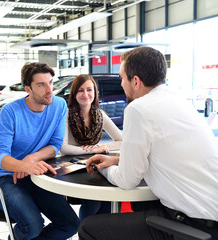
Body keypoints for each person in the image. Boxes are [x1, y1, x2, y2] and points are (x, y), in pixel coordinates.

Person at [79, 46, 218, 240]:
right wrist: (117, 159)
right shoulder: (178, 100)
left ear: (135, 81)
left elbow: (127, 181)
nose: (121, 84)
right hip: (210, 215)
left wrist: (101, 167)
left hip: (194, 224)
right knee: (140, 205)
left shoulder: (138, 109)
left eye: (121, 78)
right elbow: (163, 149)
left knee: (88, 228)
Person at [0, 62, 79, 240]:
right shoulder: (10, 112)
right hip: (6, 179)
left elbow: (54, 145)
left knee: (70, 224)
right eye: (41, 84)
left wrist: (31, 159)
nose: (49, 90)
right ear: (28, 89)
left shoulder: (59, 105)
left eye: (51, 82)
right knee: (33, 225)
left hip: (36, 176)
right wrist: (22, 166)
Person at [60, 74, 123, 222]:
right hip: (72, 165)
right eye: (80, 90)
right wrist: (93, 150)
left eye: (89, 89)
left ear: (95, 92)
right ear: (74, 93)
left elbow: (121, 140)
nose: (85, 94)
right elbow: (64, 148)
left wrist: (103, 147)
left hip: (94, 163)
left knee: (108, 202)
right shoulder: (67, 114)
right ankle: (85, 233)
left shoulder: (100, 115)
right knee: (93, 204)